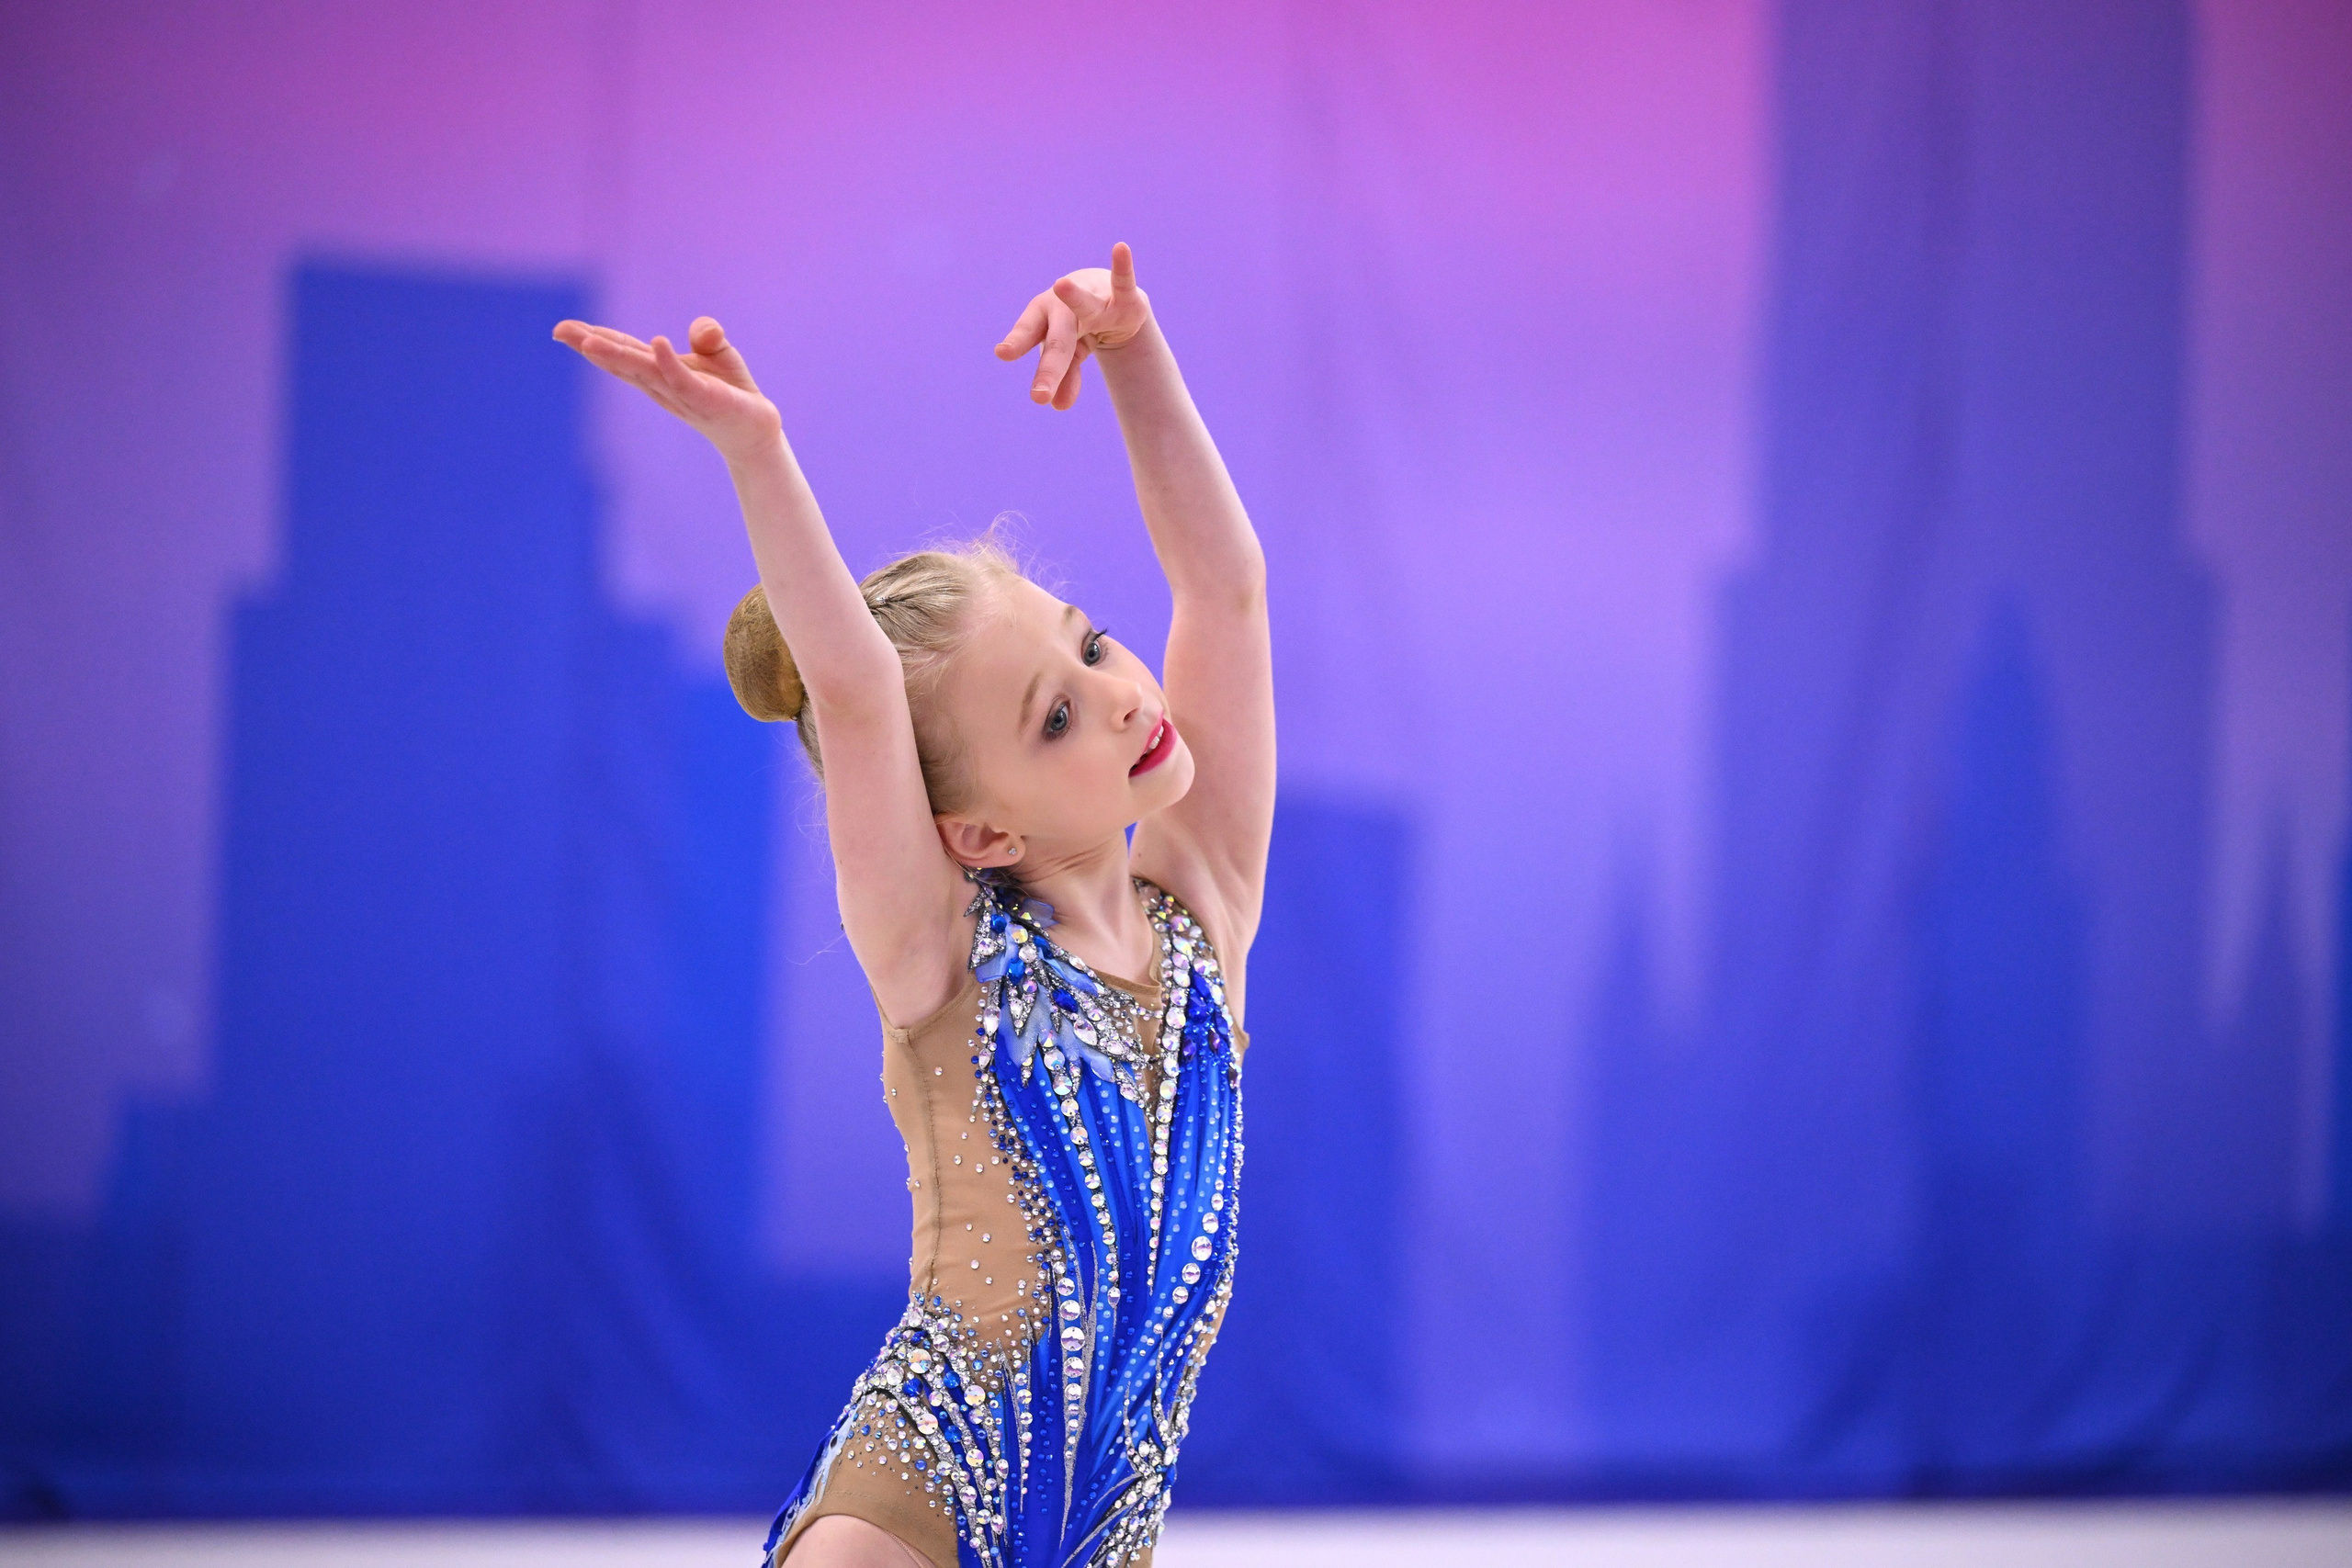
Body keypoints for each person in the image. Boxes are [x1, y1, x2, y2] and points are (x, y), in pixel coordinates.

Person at [553, 243, 1272, 1568]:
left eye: (1092, 642)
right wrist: (760, 456)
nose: (1121, 691)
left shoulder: (1203, 904)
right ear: (978, 829)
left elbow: (1220, 586)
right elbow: (858, 688)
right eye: (1057, 715)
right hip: (909, 1527)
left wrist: (1135, 353)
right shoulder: (944, 963)